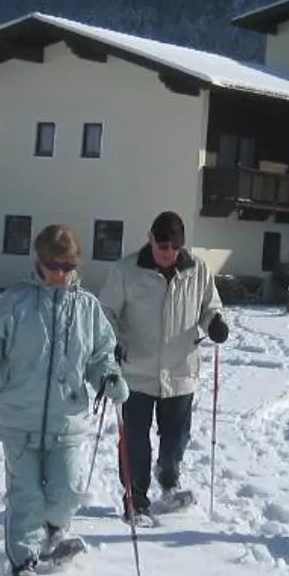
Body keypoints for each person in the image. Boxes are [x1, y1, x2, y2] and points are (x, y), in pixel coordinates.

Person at [0, 224, 125, 576]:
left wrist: (108, 378)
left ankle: (53, 531)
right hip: (19, 416)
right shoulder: (16, 302)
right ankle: (24, 563)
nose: (60, 274)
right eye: (54, 265)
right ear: (40, 262)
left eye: (67, 266)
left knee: (68, 490)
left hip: (67, 420)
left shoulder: (87, 308)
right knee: (26, 496)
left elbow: (101, 354)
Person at [96, 210, 226, 524]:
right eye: (161, 246)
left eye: (173, 248)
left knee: (175, 441)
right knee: (135, 443)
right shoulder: (127, 270)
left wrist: (215, 323)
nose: (167, 254)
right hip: (136, 372)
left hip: (180, 373)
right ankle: (136, 501)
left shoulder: (198, 270)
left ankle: (169, 482)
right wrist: (110, 340)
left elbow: (210, 306)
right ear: (150, 239)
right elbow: (106, 312)